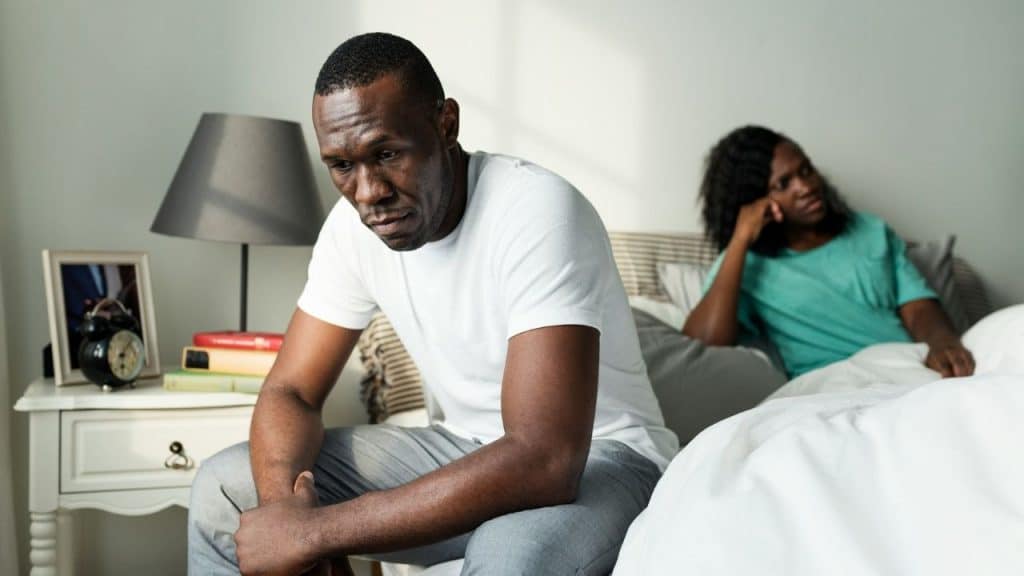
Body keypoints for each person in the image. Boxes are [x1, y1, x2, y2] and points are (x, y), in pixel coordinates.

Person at [188, 32, 677, 576]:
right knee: (224, 491)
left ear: (446, 124)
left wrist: (318, 531)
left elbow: (546, 459)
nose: (368, 191)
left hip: (604, 459)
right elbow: (291, 390)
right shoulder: (351, 231)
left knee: (510, 555)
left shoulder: (536, 209)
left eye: (387, 153)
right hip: (460, 446)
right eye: (341, 165)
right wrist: (285, 515)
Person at [682, 125, 975, 379]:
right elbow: (704, 342)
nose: (806, 186)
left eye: (806, 170)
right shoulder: (746, 265)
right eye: (784, 184)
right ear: (756, 202)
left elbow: (918, 307)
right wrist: (741, 237)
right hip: (835, 385)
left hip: (907, 367)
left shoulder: (869, 230)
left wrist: (943, 343)